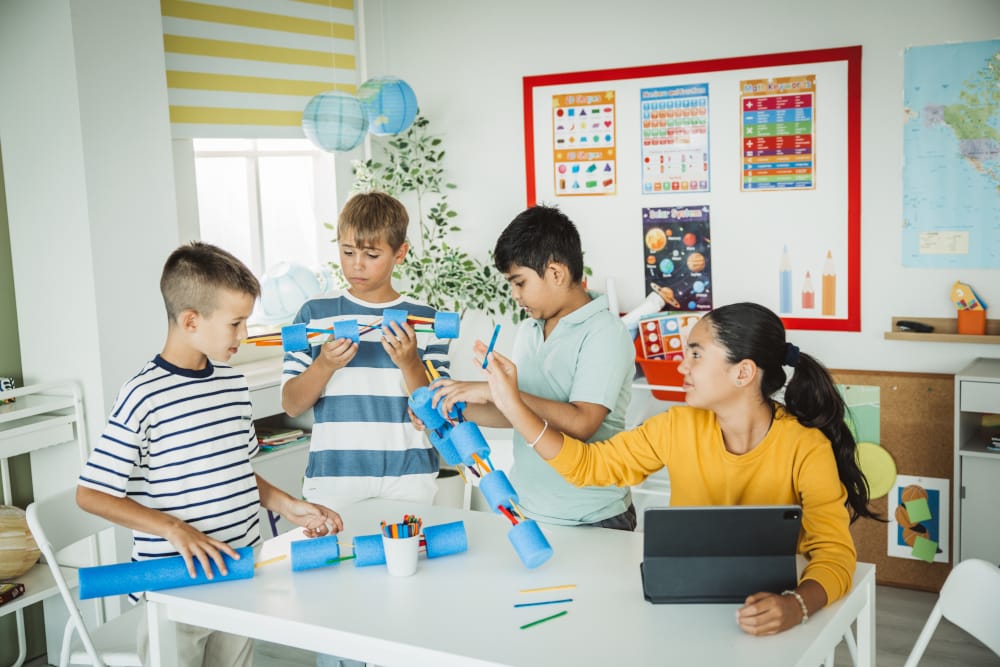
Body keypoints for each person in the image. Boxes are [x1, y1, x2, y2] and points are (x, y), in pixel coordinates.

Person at [478, 301, 877, 636]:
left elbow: (834, 553)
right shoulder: (676, 426)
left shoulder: (805, 447)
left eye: (696, 354)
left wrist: (796, 607)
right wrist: (512, 405)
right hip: (686, 605)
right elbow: (588, 466)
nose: (681, 366)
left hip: (764, 604)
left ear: (743, 372)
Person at [77, 242, 343, 667]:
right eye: (236, 324)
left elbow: (235, 472)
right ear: (190, 321)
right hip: (176, 587)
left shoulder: (232, 385)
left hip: (238, 574)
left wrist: (289, 505)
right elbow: (91, 495)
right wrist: (173, 529)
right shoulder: (143, 395)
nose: (245, 335)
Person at [429, 205, 637, 530]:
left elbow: (583, 423)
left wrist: (498, 393)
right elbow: (519, 414)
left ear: (556, 273)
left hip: (592, 516)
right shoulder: (529, 329)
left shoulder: (605, 332)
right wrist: (455, 406)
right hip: (528, 509)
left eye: (519, 282)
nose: (514, 295)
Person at [282, 192, 451, 512]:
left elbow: (437, 415)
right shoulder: (313, 314)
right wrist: (324, 365)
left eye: (371, 255)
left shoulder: (427, 321)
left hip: (409, 476)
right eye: (347, 251)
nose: (356, 264)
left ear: (400, 253)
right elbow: (291, 404)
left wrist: (410, 362)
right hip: (335, 478)